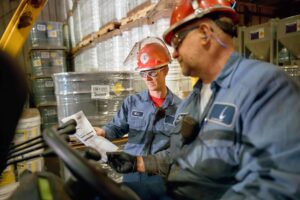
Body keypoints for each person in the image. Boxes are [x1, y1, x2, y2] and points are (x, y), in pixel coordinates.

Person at [106, 0, 300, 199]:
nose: (174, 53)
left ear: (205, 33)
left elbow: (279, 183)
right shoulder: (193, 100)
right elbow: (178, 153)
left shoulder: (263, 86)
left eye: (177, 41)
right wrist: (139, 162)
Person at [94, 37, 181, 184]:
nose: (147, 78)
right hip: (131, 173)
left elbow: (180, 148)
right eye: (143, 73)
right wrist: (103, 132)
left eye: (152, 72)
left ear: (165, 70)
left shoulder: (180, 108)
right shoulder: (132, 102)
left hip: (161, 177)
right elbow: (117, 127)